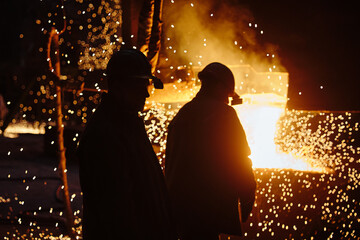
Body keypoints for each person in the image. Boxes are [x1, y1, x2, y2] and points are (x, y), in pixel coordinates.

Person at [77, 49, 176, 240]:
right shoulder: (105, 134)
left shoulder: (128, 124)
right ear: (119, 86)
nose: (146, 95)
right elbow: (117, 213)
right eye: (140, 86)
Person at [165, 62, 256, 240]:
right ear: (221, 88)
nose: (228, 101)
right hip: (209, 208)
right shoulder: (224, 114)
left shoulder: (182, 115)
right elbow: (239, 160)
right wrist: (247, 195)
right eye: (228, 96)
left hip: (180, 210)